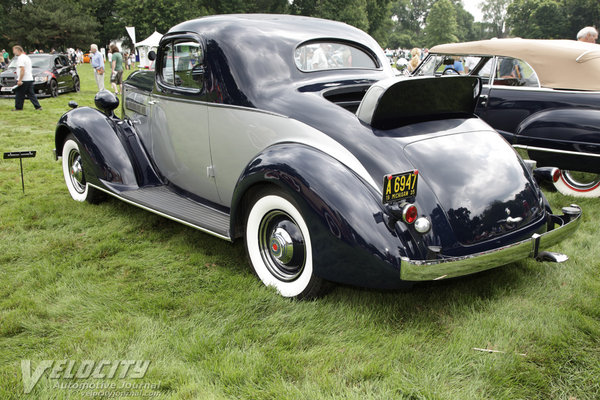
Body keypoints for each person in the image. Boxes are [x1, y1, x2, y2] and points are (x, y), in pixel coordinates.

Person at [11, 45, 42, 111]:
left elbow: (22, 69)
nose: (13, 52)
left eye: (14, 51)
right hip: (29, 78)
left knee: (19, 94)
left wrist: (20, 80)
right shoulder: (26, 57)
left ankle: (18, 107)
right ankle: (38, 106)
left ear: (17, 50)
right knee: (31, 94)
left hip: (24, 79)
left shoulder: (20, 58)